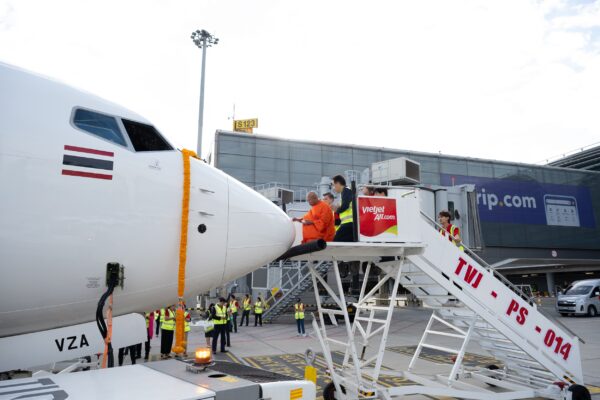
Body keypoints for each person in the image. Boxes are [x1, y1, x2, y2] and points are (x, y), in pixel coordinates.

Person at [331, 175, 354, 242]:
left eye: (333, 185)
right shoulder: (346, 191)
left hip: (348, 224)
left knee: (335, 242)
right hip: (349, 224)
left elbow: (345, 205)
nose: (333, 188)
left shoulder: (346, 190)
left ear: (338, 183)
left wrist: (337, 210)